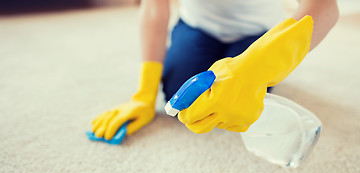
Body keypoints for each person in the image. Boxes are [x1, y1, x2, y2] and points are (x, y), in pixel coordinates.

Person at [91, 0, 339, 140]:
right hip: (198, 27)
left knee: (240, 94)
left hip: (257, 33)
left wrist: (256, 68)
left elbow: (324, 6)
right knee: (179, 90)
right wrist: (144, 93)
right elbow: (154, 6)